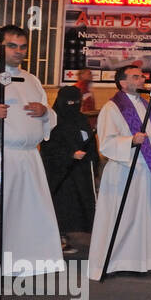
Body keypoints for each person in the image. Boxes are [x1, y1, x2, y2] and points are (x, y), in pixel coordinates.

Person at [0, 25, 65, 291]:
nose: (19, 52)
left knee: (27, 213)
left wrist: (45, 111)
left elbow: (50, 118)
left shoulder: (31, 80)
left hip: (29, 158)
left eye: (22, 47)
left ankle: (24, 261)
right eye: (12, 46)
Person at [87, 65, 151, 280]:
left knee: (142, 217)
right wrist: (130, 141)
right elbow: (105, 143)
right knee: (121, 217)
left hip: (146, 171)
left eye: (142, 76)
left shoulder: (147, 105)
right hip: (124, 170)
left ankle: (139, 261)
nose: (142, 79)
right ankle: (114, 261)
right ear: (122, 83)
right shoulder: (112, 108)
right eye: (135, 77)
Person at [40, 86, 98, 254]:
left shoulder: (80, 118)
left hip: (81, 171)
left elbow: (89, 140)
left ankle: (79, 234)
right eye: (69, 102)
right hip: (59, 173)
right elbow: (48, 146)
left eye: (76, 102)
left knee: (81, 204)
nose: (73, 106)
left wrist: (92, 157)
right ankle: (59, 237)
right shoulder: (53, 119)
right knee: (61, 205)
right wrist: (69, 154)